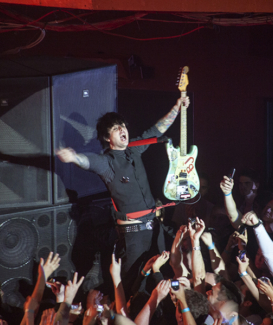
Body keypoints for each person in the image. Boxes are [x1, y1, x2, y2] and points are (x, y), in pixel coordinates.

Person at [57, 96, 190, 294]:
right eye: (115, 128)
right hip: (133, 237)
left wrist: (177, 108)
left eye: (123, 126)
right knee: (134, 287)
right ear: (107, 138)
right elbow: (88, 161)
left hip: (154, 229)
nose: (122, 130)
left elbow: (155, 130)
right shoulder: (106, 162)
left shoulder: (134, 149)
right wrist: (74, 157)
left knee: (160, 280)